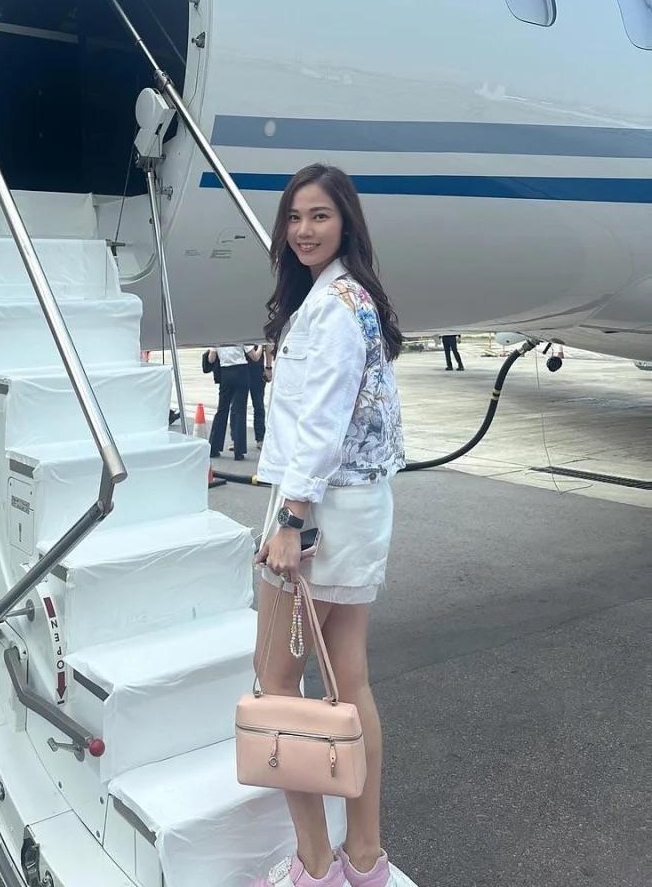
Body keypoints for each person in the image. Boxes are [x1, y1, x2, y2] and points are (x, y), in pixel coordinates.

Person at [250, 164, 405, 887]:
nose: (304, 230)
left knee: (277, 682)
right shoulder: (351, 296)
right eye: (295, 217)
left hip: (318, 513)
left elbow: (322, 422)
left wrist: (290, 518)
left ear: (346, 222)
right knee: (350, 681)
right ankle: (365, 859)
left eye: (320, 216)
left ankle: (315, 865)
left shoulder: (334, 308)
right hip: (357, 509)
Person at [207, 345, 251, 460]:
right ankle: (238, 451)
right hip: (241, 371)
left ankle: (214, 448)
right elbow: (254, 356)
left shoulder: (218, 337)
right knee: (239, 411)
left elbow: (211, 359)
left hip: (225, 372)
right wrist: (261, 347)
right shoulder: (241, 336)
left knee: (222, 410)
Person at [246, 343, 272, 448]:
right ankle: (236, 439)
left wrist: (268, 367)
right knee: (238, 406)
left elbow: (268, 345)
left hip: (256, 368)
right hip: (240, 366)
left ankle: (260, 437)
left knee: (258, 405)